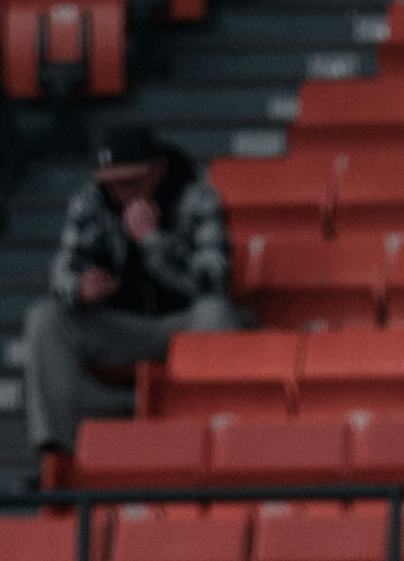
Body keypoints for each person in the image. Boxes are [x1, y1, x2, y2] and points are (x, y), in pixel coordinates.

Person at [21, 137, 242, 474]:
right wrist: (79, 288)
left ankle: (214, 442)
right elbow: (61, 272)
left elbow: (213, 283)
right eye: (112, 185)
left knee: (217, 313)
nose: (121, 193)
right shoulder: (92, 202)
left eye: (131, 182)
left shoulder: (197, 197)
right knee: (44, 319)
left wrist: (152, 241)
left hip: (184, 323)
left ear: (157, 171)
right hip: (124, 327)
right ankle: (59, 456)